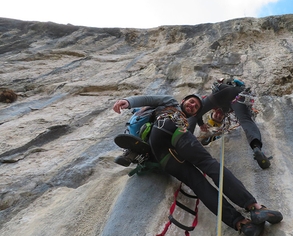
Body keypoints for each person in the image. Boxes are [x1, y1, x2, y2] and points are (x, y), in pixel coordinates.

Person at [112, 94, 283, 235]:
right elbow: (150, 99)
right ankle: (254, 207)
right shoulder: (171, 103)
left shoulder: (180, 118)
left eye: (196, 107)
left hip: (161, 154)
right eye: (191, 102)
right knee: (209, 165)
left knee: (198, 185)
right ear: (183, 101)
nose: (193, 106)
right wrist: (128, 102)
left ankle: (241, 224)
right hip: (171, 127)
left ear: (195, 114)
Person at [190, 78, 271, 169]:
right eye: (219, 118)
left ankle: (185, 142)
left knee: (195, 113)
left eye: (215, 116)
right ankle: (256, 148)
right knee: (245, 120)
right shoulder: (230, 110)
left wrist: (200, 124)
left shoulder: (213, 102)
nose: (218, 115)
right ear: (224, 118)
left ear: (213, 111)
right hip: (237, 95)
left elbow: (198, 111)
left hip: (223, 93)